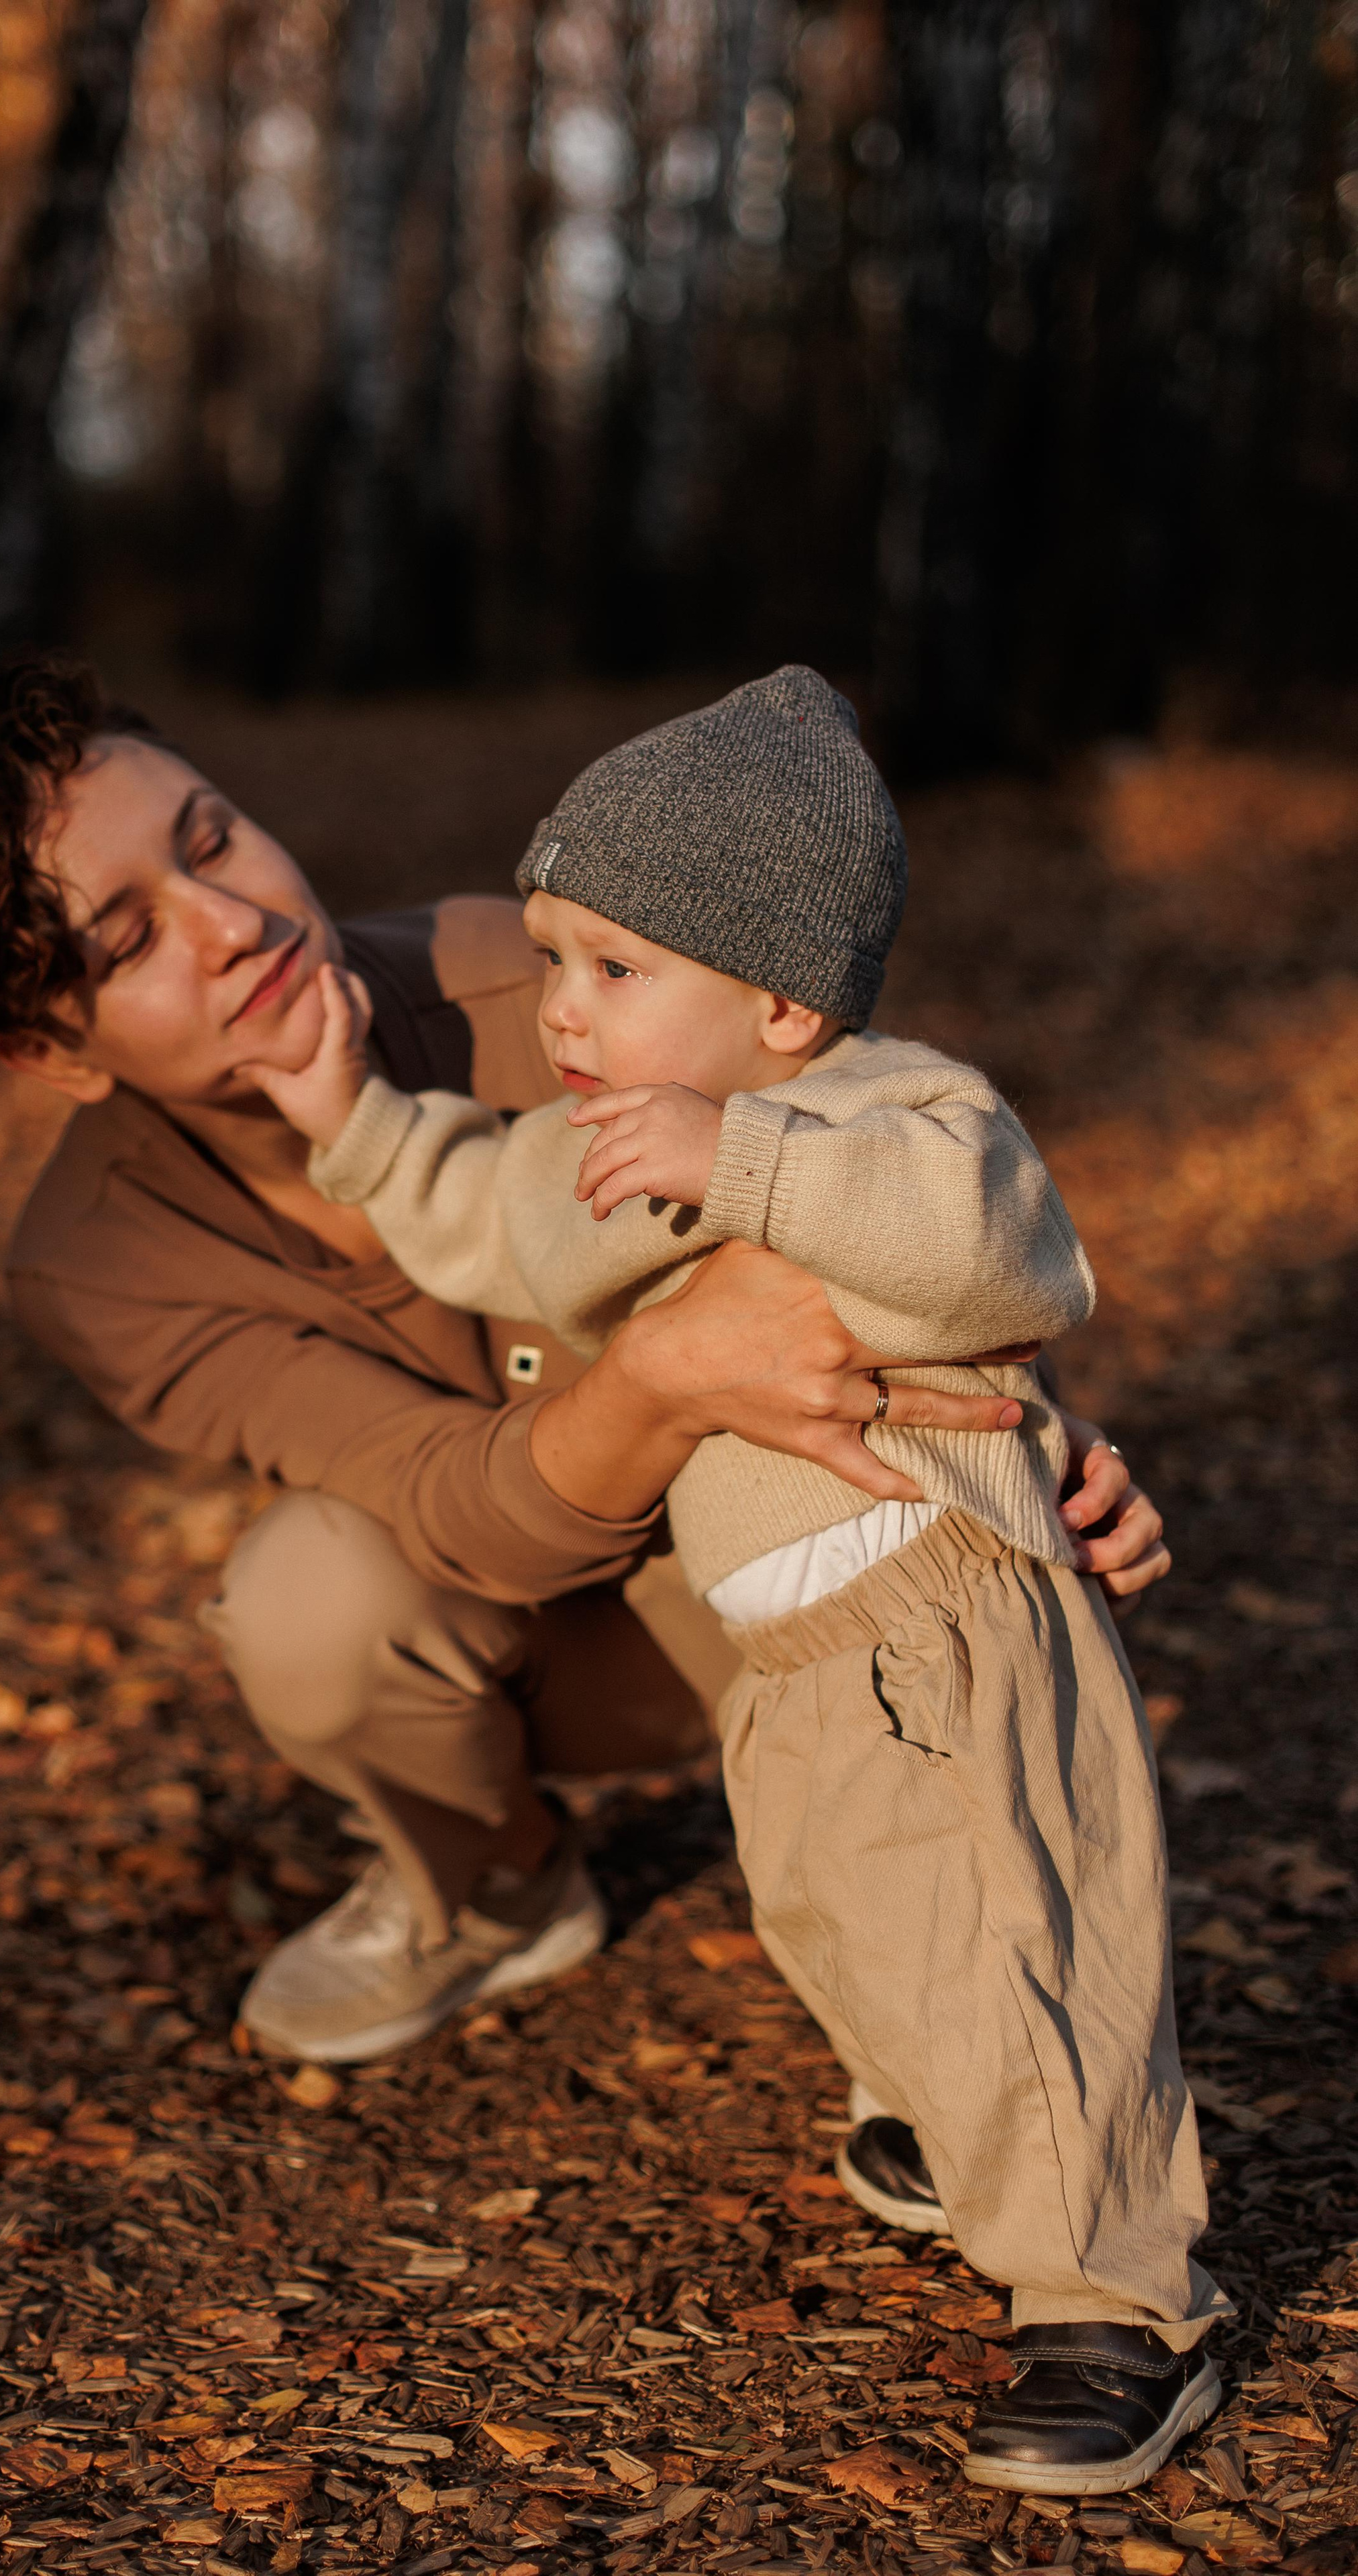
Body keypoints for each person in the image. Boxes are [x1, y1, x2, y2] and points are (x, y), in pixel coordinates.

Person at [0, 653, 1170, 2289]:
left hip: (784, 1552)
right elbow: (459, 1503)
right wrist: (668, 1364)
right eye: (127, 939)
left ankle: (1039, 2165)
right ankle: (499, 1886)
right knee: (306, 1594)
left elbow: (879, 1164)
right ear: (50, 1047)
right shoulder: (98, 1261)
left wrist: (1038, 1436)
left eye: (212, 837)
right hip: (529, 1613)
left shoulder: (546, 973)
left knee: (913, 1824)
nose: (230, 920)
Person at [254, 666, 1226, 2498]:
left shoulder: (889, 1113)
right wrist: (353, 1121)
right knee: (841, 1924)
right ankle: (955, 2124)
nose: (564, 1012)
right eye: (552, 961)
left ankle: (1121, 2304)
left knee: (1015, 1949)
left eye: (615, 969)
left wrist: (753, 1166)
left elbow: (1003, 1253)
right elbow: (481, 1205)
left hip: (946, 1607)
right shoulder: (606, 1156)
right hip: (785, 1658)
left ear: (781, 999)